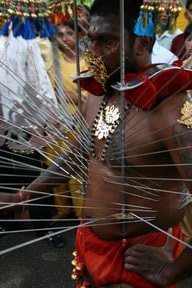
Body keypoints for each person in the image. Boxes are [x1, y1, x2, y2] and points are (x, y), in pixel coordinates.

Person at [23, 0, 192, 287]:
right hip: (89, 245)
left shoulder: (174, 111)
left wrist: (172, 271)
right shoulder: (101, 91)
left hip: (137, 260)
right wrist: (26, 194)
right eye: (90, 39)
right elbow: (81, 151)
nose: (92, 52)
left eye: (107, 40)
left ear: (143, 42)